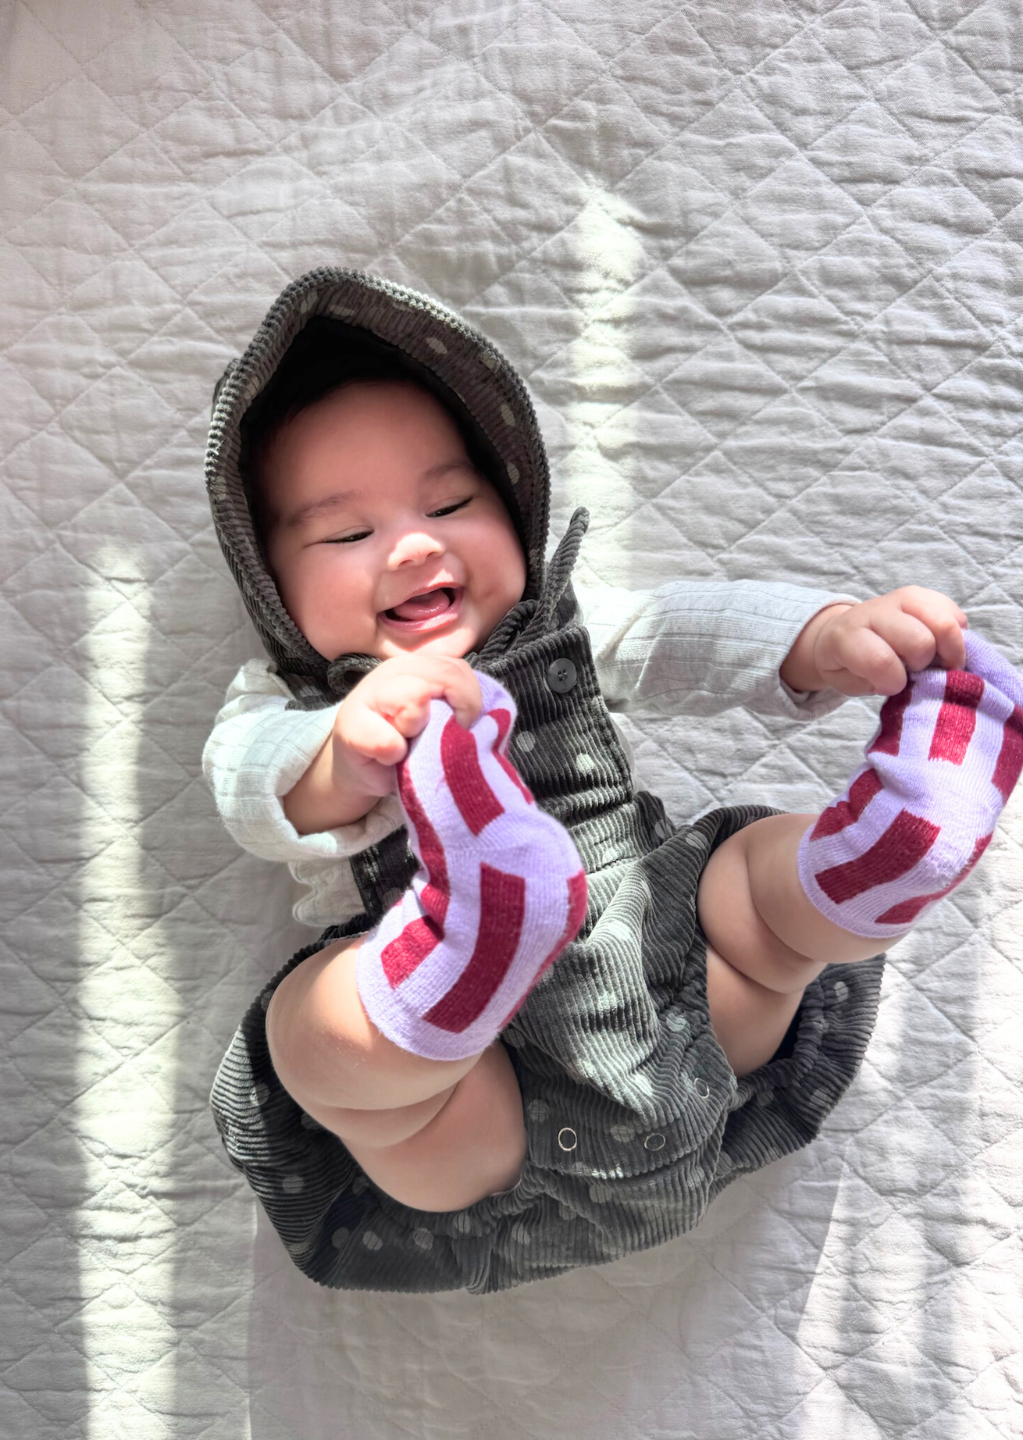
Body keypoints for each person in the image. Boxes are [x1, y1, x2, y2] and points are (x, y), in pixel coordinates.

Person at [203, 269, 1023, 1294]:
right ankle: (466, 944)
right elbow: (244, 783)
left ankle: (872, 856)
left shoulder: (561, 627)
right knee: (318, 1040)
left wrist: (822, 639)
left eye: (452, 501)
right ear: (271, 589)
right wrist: (339, 756)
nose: (415, 543)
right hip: (483, 1117)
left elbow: (685, 630)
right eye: (347, 533)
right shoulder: (293, 702)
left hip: (673, 998)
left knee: (745, 895)